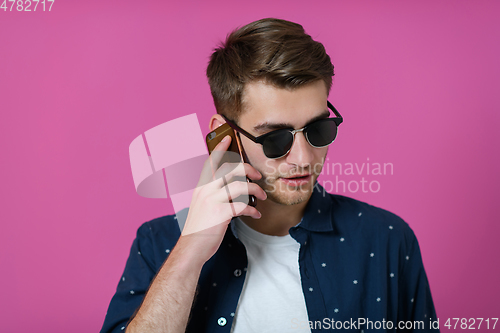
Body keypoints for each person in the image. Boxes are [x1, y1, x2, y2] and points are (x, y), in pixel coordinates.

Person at [101, 18, 438, 333]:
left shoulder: (387, 240)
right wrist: (190, 250)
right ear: (225, 137)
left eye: (318, 129)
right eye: (276, 138)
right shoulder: (158, 243)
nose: (304, 158)